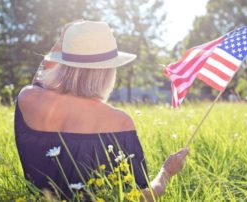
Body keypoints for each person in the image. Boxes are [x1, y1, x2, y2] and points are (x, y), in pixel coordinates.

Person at [15, 20, 189, 201]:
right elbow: (139, 198)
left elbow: (41, 78)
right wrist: (166, 172)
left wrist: (63, 42)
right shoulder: (120, 121)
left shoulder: (28, 98)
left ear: (63, 61)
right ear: (107, 71)